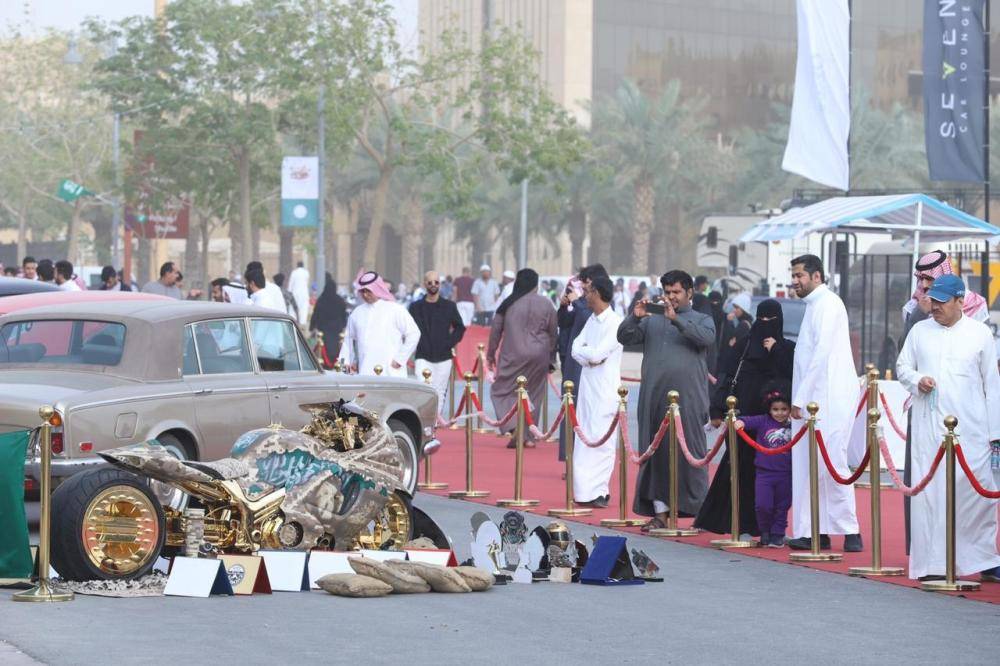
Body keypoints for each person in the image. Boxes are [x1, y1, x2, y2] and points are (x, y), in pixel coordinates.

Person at [897, 274, 1000, 582]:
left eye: (942, 302)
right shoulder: (919, 331)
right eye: (933, 301)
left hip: (972, 430)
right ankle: (931, 564)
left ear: (959, 301)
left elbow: (991, 386)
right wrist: (918, 381)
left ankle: (983, 559)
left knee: (976, 496)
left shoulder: (980, 334)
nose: (936, 307)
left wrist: (995, 435)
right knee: (930, 496)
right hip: (930, 431)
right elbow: (903, 367)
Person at [618, 270, 715, 530]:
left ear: (689, 293)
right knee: (656, 455)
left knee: (692, 452)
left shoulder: (702, 319)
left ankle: (701, 513)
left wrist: (677, 321)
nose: (671, 297)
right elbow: (624, 338)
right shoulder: (652, 320)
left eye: (676, 292)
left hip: (690, 399)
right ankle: (660, 514)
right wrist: (634, 317)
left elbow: (706, 338)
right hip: (653, 397)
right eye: (668, 292)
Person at [697, 299, 795, 539]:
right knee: (738, 468)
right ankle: (735, 522)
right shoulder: (742, 347)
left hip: (775, 422)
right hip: (743, 419)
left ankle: (770, 528)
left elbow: (793, 373)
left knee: (773, 476)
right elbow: (726, 376)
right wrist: (717, 409)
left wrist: (776, 350)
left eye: (771, 320)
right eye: (761, 319)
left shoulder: (786, 347)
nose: (765, 325)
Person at [786, 254, 861, 552]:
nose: (795, 281)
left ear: (817, 276)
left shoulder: (829, 304)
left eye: (800, 275)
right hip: (814, 401)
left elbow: (821, 355)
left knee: (832, 464)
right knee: (811, 467)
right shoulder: (814, 305)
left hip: (827, 399)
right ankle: (816, 531)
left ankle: (850, 531)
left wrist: (800, 399)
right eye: (793, 275)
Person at [486, 268, 557, 448]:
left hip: (512, 354)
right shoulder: (547, 304)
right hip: (539, 355)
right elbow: (552, 332)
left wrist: (490, 354)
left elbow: (495, 330)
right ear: (536, 284)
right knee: (533, 395)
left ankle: (512, 427)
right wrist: (551, 358)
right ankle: (527, 437)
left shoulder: (508, 304)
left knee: (501, 390)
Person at [571, 275, 624, 507]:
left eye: (589, 291)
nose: (585, 295)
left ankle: (599, 492)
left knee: (603, 441)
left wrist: (588, 355)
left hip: (605, 390)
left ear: (599, 293)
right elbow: (575, 348)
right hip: (587, 389)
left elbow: (597, 354)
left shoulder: (615, 323)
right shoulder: (591, 320)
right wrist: (588, 357)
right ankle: (583, 492)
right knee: (583, 437)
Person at [557, 264, 609, 460]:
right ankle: (569, 456)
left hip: (591, 362)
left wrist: (578, 302)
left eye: (587, 285)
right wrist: (564, 306)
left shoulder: (598, 303)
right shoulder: (580, 301)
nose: (585, 289)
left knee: (588, 412)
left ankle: (585, 456)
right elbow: (564, 322)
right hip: (573, 361)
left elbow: (593, 318)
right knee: (570, 406)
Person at [735, 386, 795, 548]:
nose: (780, 413)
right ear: (769, 409)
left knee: (782, 506)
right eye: (775, 409)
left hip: (786, 473)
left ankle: (778, 534)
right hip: (764, 473)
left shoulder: (794, 424)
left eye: (784, 409)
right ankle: (765, 531)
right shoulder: (763, 421)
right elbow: (747, 421)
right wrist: (739, 422)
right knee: (763, 505)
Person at [339, 269, 420, 377]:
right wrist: (345, 367)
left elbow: (414, 333)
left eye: (368, 291)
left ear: (377, 289)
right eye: (362, 291)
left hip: (392, 373)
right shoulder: (357, 313)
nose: (365, 295)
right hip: (366, 374)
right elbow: (347, 341)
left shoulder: (396, 309)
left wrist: (400, 359)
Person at [409, 270, 466, 411]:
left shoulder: (449, 306)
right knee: (423, 389)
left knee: (439, 391)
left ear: (440, 285)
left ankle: (434, 424)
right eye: (430, 282)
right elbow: (408, 329)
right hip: (423, 355)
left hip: (444, 356)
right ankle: (424, 422)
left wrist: (449, 343)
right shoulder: (415, 307)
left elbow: (460, 327)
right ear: (424, 284)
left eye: (436, 282)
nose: (433, 285)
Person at [309, 273, 349, 359]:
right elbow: (344, 315)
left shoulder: (321, 300)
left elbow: (315, 314)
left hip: (324, 328)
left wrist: (311, 327)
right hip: (337, 329)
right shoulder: (340, 300)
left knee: (325, 346)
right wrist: (343, 325)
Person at [287, 261, 311, 326]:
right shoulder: (306, 273)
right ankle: (302, 323)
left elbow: (290, 284)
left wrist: (289, 292)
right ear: (303, 266)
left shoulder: (294, 273)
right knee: (303, 309)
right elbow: (307, 283)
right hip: (304, 293)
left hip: (295, 293)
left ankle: (293, 322)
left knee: (293, 309)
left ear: (297, 266)